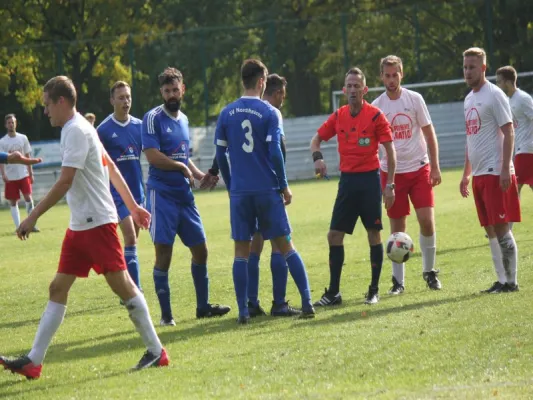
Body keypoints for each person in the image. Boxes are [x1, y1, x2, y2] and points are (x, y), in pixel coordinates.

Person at [0, 76, 168, 380]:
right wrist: (132, 206)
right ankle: (33, 361)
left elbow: (65, 181)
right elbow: (111, 167)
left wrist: (33, 215)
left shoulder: (76, 130)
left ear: (61, 102)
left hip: (97, 225)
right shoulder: (78, 127)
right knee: (57, 288)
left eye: (47, 104)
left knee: (125, 287)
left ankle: (157, 351)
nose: (45, 111)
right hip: (81, 226)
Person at [215, 59, 315, 324]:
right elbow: (274, 152)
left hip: (240, 192)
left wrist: (230, 183)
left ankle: (244, 311)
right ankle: (307, 302)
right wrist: (283, 185)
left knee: (241, 251)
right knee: (285, 246)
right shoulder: (270, 112)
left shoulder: (226, 113)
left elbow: (220, 154)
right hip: (267, 190)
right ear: (262, 82)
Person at [142, 67, 230, 326]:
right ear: (161, 92)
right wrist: (181, 168)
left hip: (184, 196)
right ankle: (166, 316)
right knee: (164, 254)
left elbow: (184, 156)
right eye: (166, 90)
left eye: (175, 89)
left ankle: (202, 307)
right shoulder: (152, 118)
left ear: (183, 90)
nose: (171, 94)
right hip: (162, 195)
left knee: (201, 250)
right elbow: (152, 155)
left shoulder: (184, 119)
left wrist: (200, 175)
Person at [311, 67, 396, 306]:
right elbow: (316, 139)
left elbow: (390, 151)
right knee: (334, 235)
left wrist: (389, 184)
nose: (352, 90)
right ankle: (334, 293)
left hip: (370, 180)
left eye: (356, 86)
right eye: (348, 86)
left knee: (373, 233)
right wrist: (317, 158)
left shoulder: (376, 116)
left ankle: (374, 290)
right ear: (343, 90)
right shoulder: (338, 116)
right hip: (347, 183)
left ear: (364, 89)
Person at [372, 55, 442, 294]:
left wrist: (435, 166)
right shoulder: (377, 106)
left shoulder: (415, 99)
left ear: (402, 74)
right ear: (381, 76)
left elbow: (429, 134)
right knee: (397, 229)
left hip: (419, 167)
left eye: (395, 74)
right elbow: (373, 146)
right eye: (387, 75)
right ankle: (398, 282)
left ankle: (430, 272)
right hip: (392, 174)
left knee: (427, 222)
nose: (391, 80)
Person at [460, 47, 520, 293]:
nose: (467, 72)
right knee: (489, 228)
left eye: (472, 67)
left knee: (502, 227)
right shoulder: (468, 98)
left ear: (483, 68)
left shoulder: (494, 95)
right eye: (465, 67)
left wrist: (506, 168)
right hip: (480, 173)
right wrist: (466, 173)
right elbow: (470, 137)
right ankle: (501, 279)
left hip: (497, 171)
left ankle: (512, 281)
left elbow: (509, 131)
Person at [97, 81, 144, 290]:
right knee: (130, 238)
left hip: (137, 192)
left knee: (131, 243)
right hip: (116, 193)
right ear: (112, 101)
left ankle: (124, 284)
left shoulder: (139, 126)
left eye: (128, 97)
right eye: (121, 97)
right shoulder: (103, 130)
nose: (126, 101)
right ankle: (135, 290)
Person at [496, 66, 533, 203]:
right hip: (521, 150)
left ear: (507, 82)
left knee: (513, 187)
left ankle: (509, 224)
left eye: (499, 82)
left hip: (527, 149)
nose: (498, 85)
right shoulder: (508, 101)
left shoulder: (523, 98)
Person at [0, 114, 40, 232]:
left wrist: (30, 172)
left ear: (16, 123)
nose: (11, 124)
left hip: (23, 174)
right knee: (13, 201)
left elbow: (27, 156)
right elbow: (1, 160)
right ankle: (18, 227)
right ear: (5, 125)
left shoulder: (23, 138)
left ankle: (31, 224)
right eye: (9, 123)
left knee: (28, 197)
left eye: (12, 122)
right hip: (11, 176)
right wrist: (3, 174)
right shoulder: (2, 141)